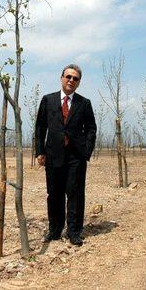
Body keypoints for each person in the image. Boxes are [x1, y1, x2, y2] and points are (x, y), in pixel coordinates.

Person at [35, 64, 97, 246]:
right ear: (61, 78)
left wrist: (87, 149)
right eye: (68, 77)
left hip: (76, 156)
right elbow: (40, 126)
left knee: (75, 194)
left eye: (75, 78)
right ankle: (54, 230)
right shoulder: (48, 100)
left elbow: (91, 128)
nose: (71, 80)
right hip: (53, 154)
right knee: (54, 194)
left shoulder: (84, 103)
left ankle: (74, 231)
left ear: (79, 82)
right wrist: (39, 151)